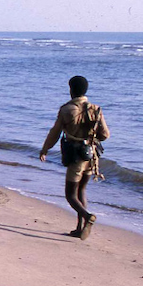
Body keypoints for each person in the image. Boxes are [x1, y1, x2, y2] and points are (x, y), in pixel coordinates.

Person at [39, 76, 109, 240]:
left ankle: (87, 216)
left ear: (71, 90)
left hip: (76, 156)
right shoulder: (95, 109)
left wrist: (45, 149)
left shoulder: (66, 110)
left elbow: (55, 133)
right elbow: (105, 135)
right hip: (91, 156)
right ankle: (79, 228)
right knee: (82, 190)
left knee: (70, 195)